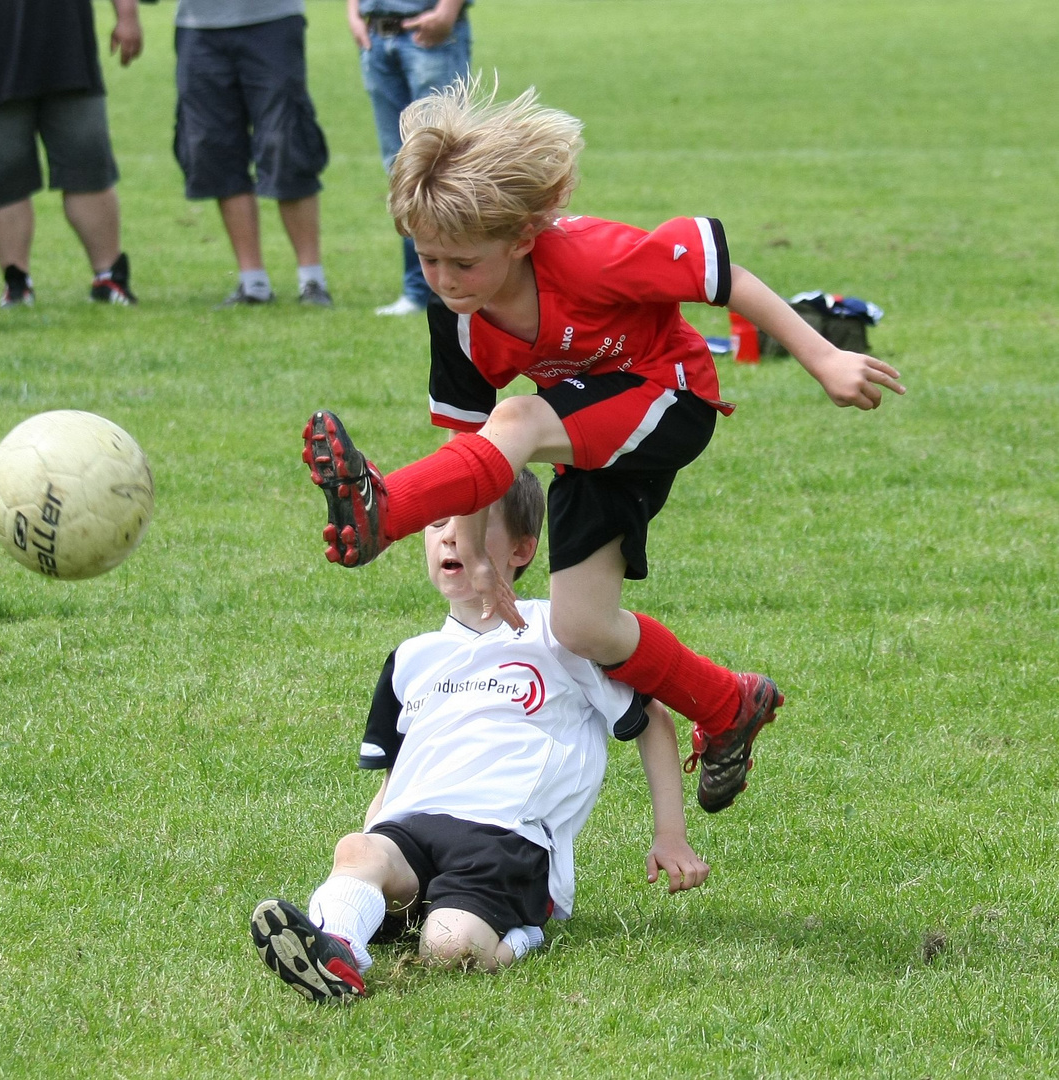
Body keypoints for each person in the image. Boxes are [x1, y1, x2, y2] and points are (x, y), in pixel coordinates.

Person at [302, 79, 907, 814]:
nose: (444, 279)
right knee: (581, 626)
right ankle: (728, 704)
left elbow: (729, 280)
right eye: (427, 259)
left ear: (522, 238)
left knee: (522, 416)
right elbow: (469, 448)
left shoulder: (591, 257)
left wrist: (824, 359)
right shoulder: (456, 319)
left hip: (671, 399)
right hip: (591, 437)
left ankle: (383, 509)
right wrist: (478, 552)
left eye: (464, 263)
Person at [251, 469, 710, 1002]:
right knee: (357, 851)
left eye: (468, 525)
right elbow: (400, 770)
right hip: (413, 827)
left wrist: (670, 835)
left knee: (449, 951)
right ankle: (337, 951)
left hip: (506, 838)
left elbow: (651, 719)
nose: (449, 535)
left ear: (520, 548)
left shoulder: (560, 634)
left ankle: (523, 932)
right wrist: (371, 842)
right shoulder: (410, 658)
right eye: (437, 522)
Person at [0, 0, 141, 307]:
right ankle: (17, 282)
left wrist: (127, 15)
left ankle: (109, 277)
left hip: (67, 50)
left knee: (88, 167)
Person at [173, 0, 332, 308]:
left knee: (286, 143)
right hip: (198, 26)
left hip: (271, 19)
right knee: (213, 149)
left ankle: (312, 281)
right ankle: (253, 282)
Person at [345, 0, 470, 316]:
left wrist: (447, 12)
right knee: (401, 168)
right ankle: (420, 291)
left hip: (428, 31)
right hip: (375, 35)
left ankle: (456, 288)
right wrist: (353, 12)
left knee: (444, 164)